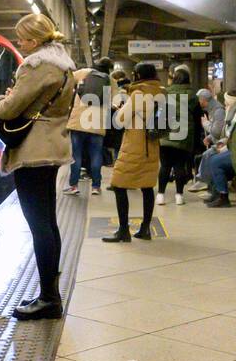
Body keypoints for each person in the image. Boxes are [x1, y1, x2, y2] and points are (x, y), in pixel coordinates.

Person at [0, 13, 77, 319]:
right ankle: (49, 293)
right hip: (51, 145)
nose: (19, 43)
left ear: (36, 40)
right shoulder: (64, 65)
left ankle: (49, 299)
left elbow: (9, 109)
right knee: (48, 222)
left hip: (33, 150)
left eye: (22, 39)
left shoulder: (36, 65)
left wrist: (0, 101)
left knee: (39, 224)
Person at [104, 62, 163, 242]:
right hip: (152, 145)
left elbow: (120, 120)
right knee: (147, 186)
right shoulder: (160, 92)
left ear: (137, 75)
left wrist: (121, 108)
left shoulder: (138, 94)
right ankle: (145, 229)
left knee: (118, 185)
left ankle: (123, 231)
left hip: (134, 146)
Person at [64, 57, 112, 197]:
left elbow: (67, 81)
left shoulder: (84, 72)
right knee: (96, 155)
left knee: (76, 155)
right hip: (97, 124)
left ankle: (73, 186)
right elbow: (114, 100)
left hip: (79, 122)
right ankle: (96, 187)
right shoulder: (109, 79)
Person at [156, 66, 199, 206]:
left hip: (166, 134)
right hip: (184, 134)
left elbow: (159, 113)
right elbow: (198, 116)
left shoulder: (166, 93)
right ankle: (179, 196)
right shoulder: (193, 96)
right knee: (179, 165)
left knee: (164, 166)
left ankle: (160, 195)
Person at [187, 88, 225, 192]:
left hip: (222, 145)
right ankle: (203, 180)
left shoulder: (218, 111)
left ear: (203, 100)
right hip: (220, 142)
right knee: (205, 155)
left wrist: (206, 124)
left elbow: (217, 131)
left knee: (207, 155)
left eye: (199, 100)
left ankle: (203, 181)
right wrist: (209, 137)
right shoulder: (213, 110)